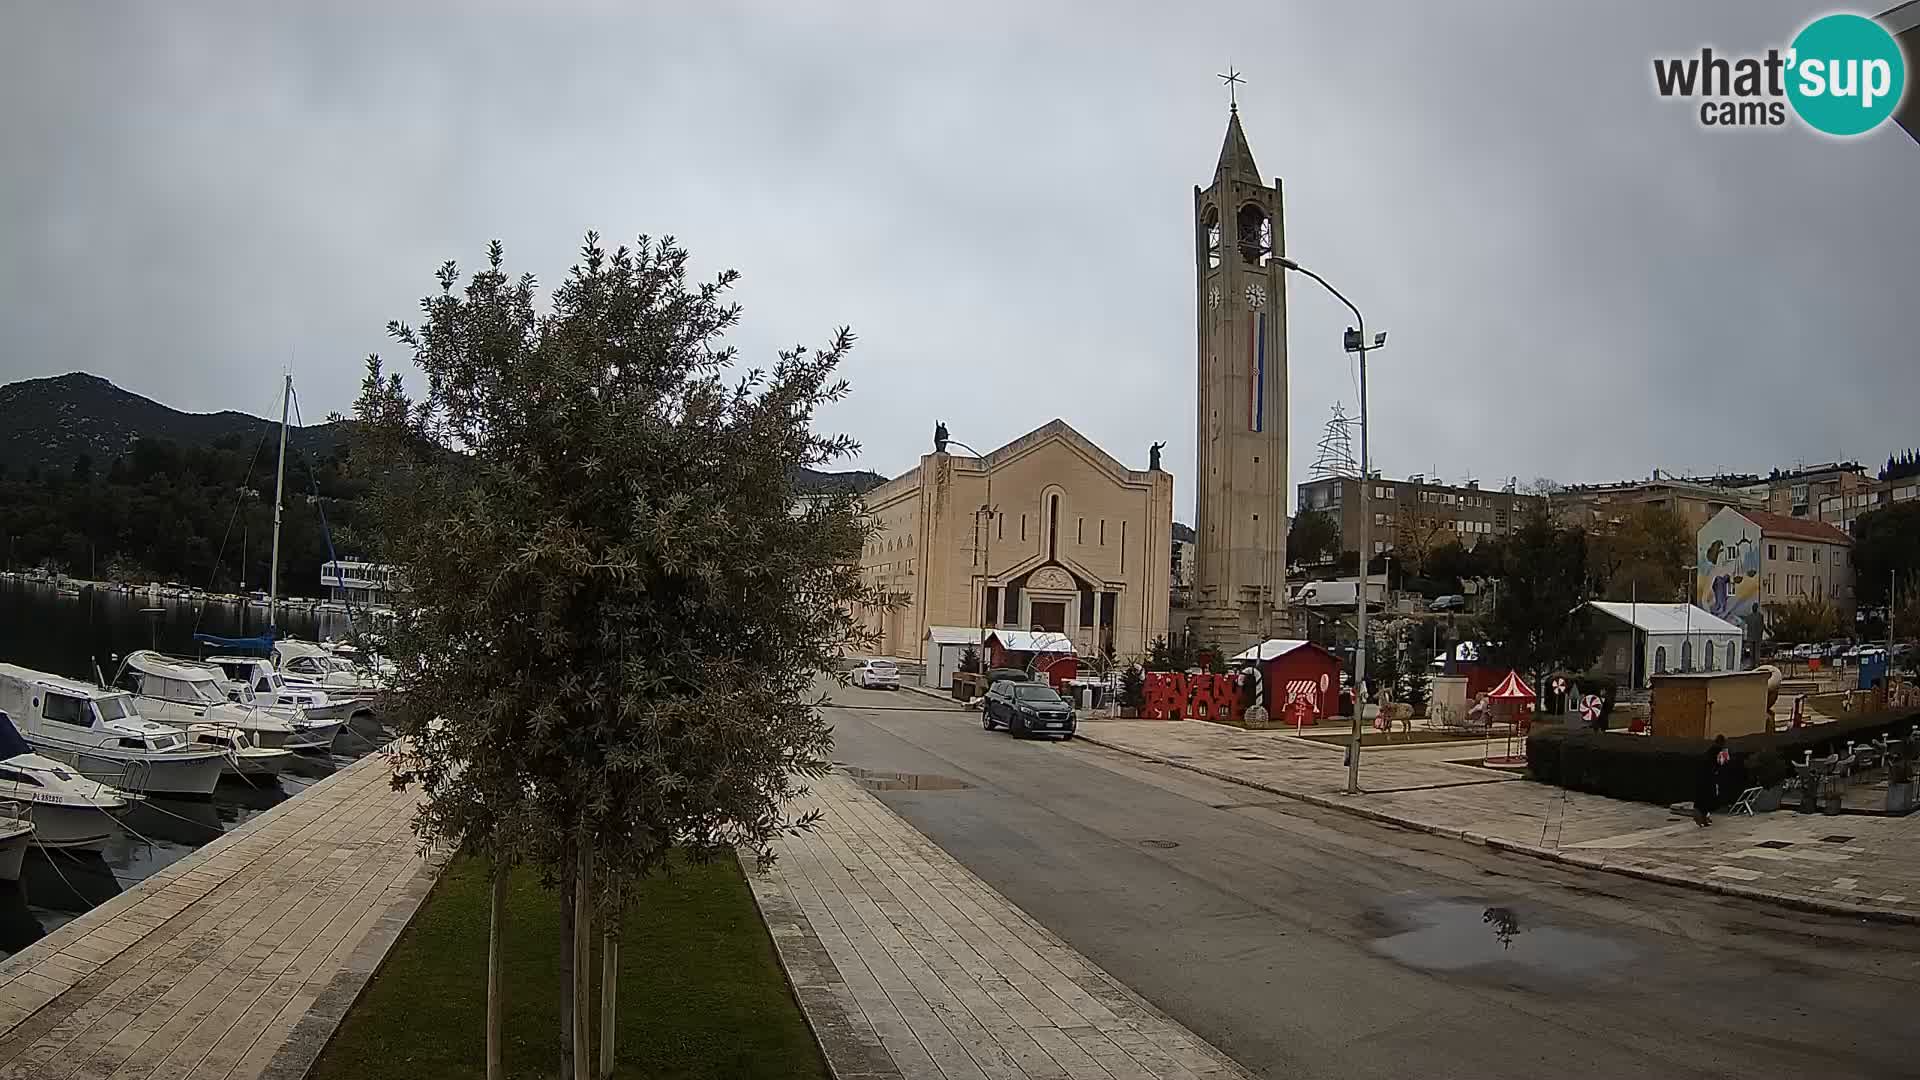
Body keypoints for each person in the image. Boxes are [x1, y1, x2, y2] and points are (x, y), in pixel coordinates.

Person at [1695, 734, 1730, 826]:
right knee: (1710, 797)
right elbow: (1723, 763)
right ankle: (1702, 816)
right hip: (1711, 777)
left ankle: (1703, 817)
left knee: (1706, 797)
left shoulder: (1710, 751)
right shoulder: (1719, 751)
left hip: (1705, 776)